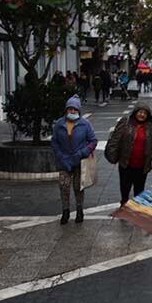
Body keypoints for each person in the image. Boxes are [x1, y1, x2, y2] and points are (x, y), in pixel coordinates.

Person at [51, 95, 97, 224]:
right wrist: (61, 156)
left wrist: (82, 152)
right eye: (69, 109)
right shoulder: (59, 124)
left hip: (80, 161)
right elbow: (54, 142)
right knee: (64, 186)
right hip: (64, 162)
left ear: (79, 111)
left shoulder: (85, 124)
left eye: (74, 110)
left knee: (78, 187)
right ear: (66, 110)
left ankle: (79, 210)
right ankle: (65, 211)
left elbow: (93, 141)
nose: (72, 112)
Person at [105, 104, 152, 206]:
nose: (142, 115)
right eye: (140, 112)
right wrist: (111, 155)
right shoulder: (126, 124)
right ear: (135, 112)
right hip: (126, 164)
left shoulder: (151, 128)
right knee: (125, 187)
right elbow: (115, 139)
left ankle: (136, 207)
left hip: (142, 165)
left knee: (139, 189)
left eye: (144, 113)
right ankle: (124, 203)